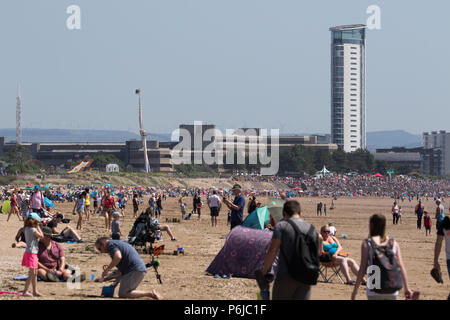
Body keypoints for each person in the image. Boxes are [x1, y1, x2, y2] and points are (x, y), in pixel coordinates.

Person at [262, 200, 320, 300]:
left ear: (284, 213)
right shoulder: (312, 229)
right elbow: (317, 253)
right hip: (306, 276)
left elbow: (273, 250)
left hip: (286, 276)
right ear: (300, 213)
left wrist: (265, 270)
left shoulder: (281, 226)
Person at [351, 214, 413, 300]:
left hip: (374, 288)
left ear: (371, 225)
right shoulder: (393, 243)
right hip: (392, 287)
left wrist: (355, 291)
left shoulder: (367, 243)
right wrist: (407, 288)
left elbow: (363, 268)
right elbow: (401, 266)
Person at [95, 237, 163, 299]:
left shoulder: (110, 245)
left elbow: (118, 257)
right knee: (127, 292)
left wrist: (107, 270)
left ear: (103, 244)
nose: (100, 251)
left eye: (99, 249)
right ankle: (149, 294)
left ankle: (150, 294)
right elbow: (121, 272)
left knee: (123, 294)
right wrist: (113, 286)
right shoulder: (116, 243)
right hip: (137, 269)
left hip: (134, 270)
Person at [21, 213, 44, 297]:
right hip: (32, 253)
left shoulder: (26, 228)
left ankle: (35, 291)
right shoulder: (33, 229)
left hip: (29, 251)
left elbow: (35, 239)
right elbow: (41, 236)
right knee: (32, 273)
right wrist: (38, 227)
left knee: (34, 273)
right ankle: (25, 291)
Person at [432, 216, 450, 298]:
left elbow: (439, 242)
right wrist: (435, 260)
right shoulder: (446, 223)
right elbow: (438, 242)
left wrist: (436, 260)